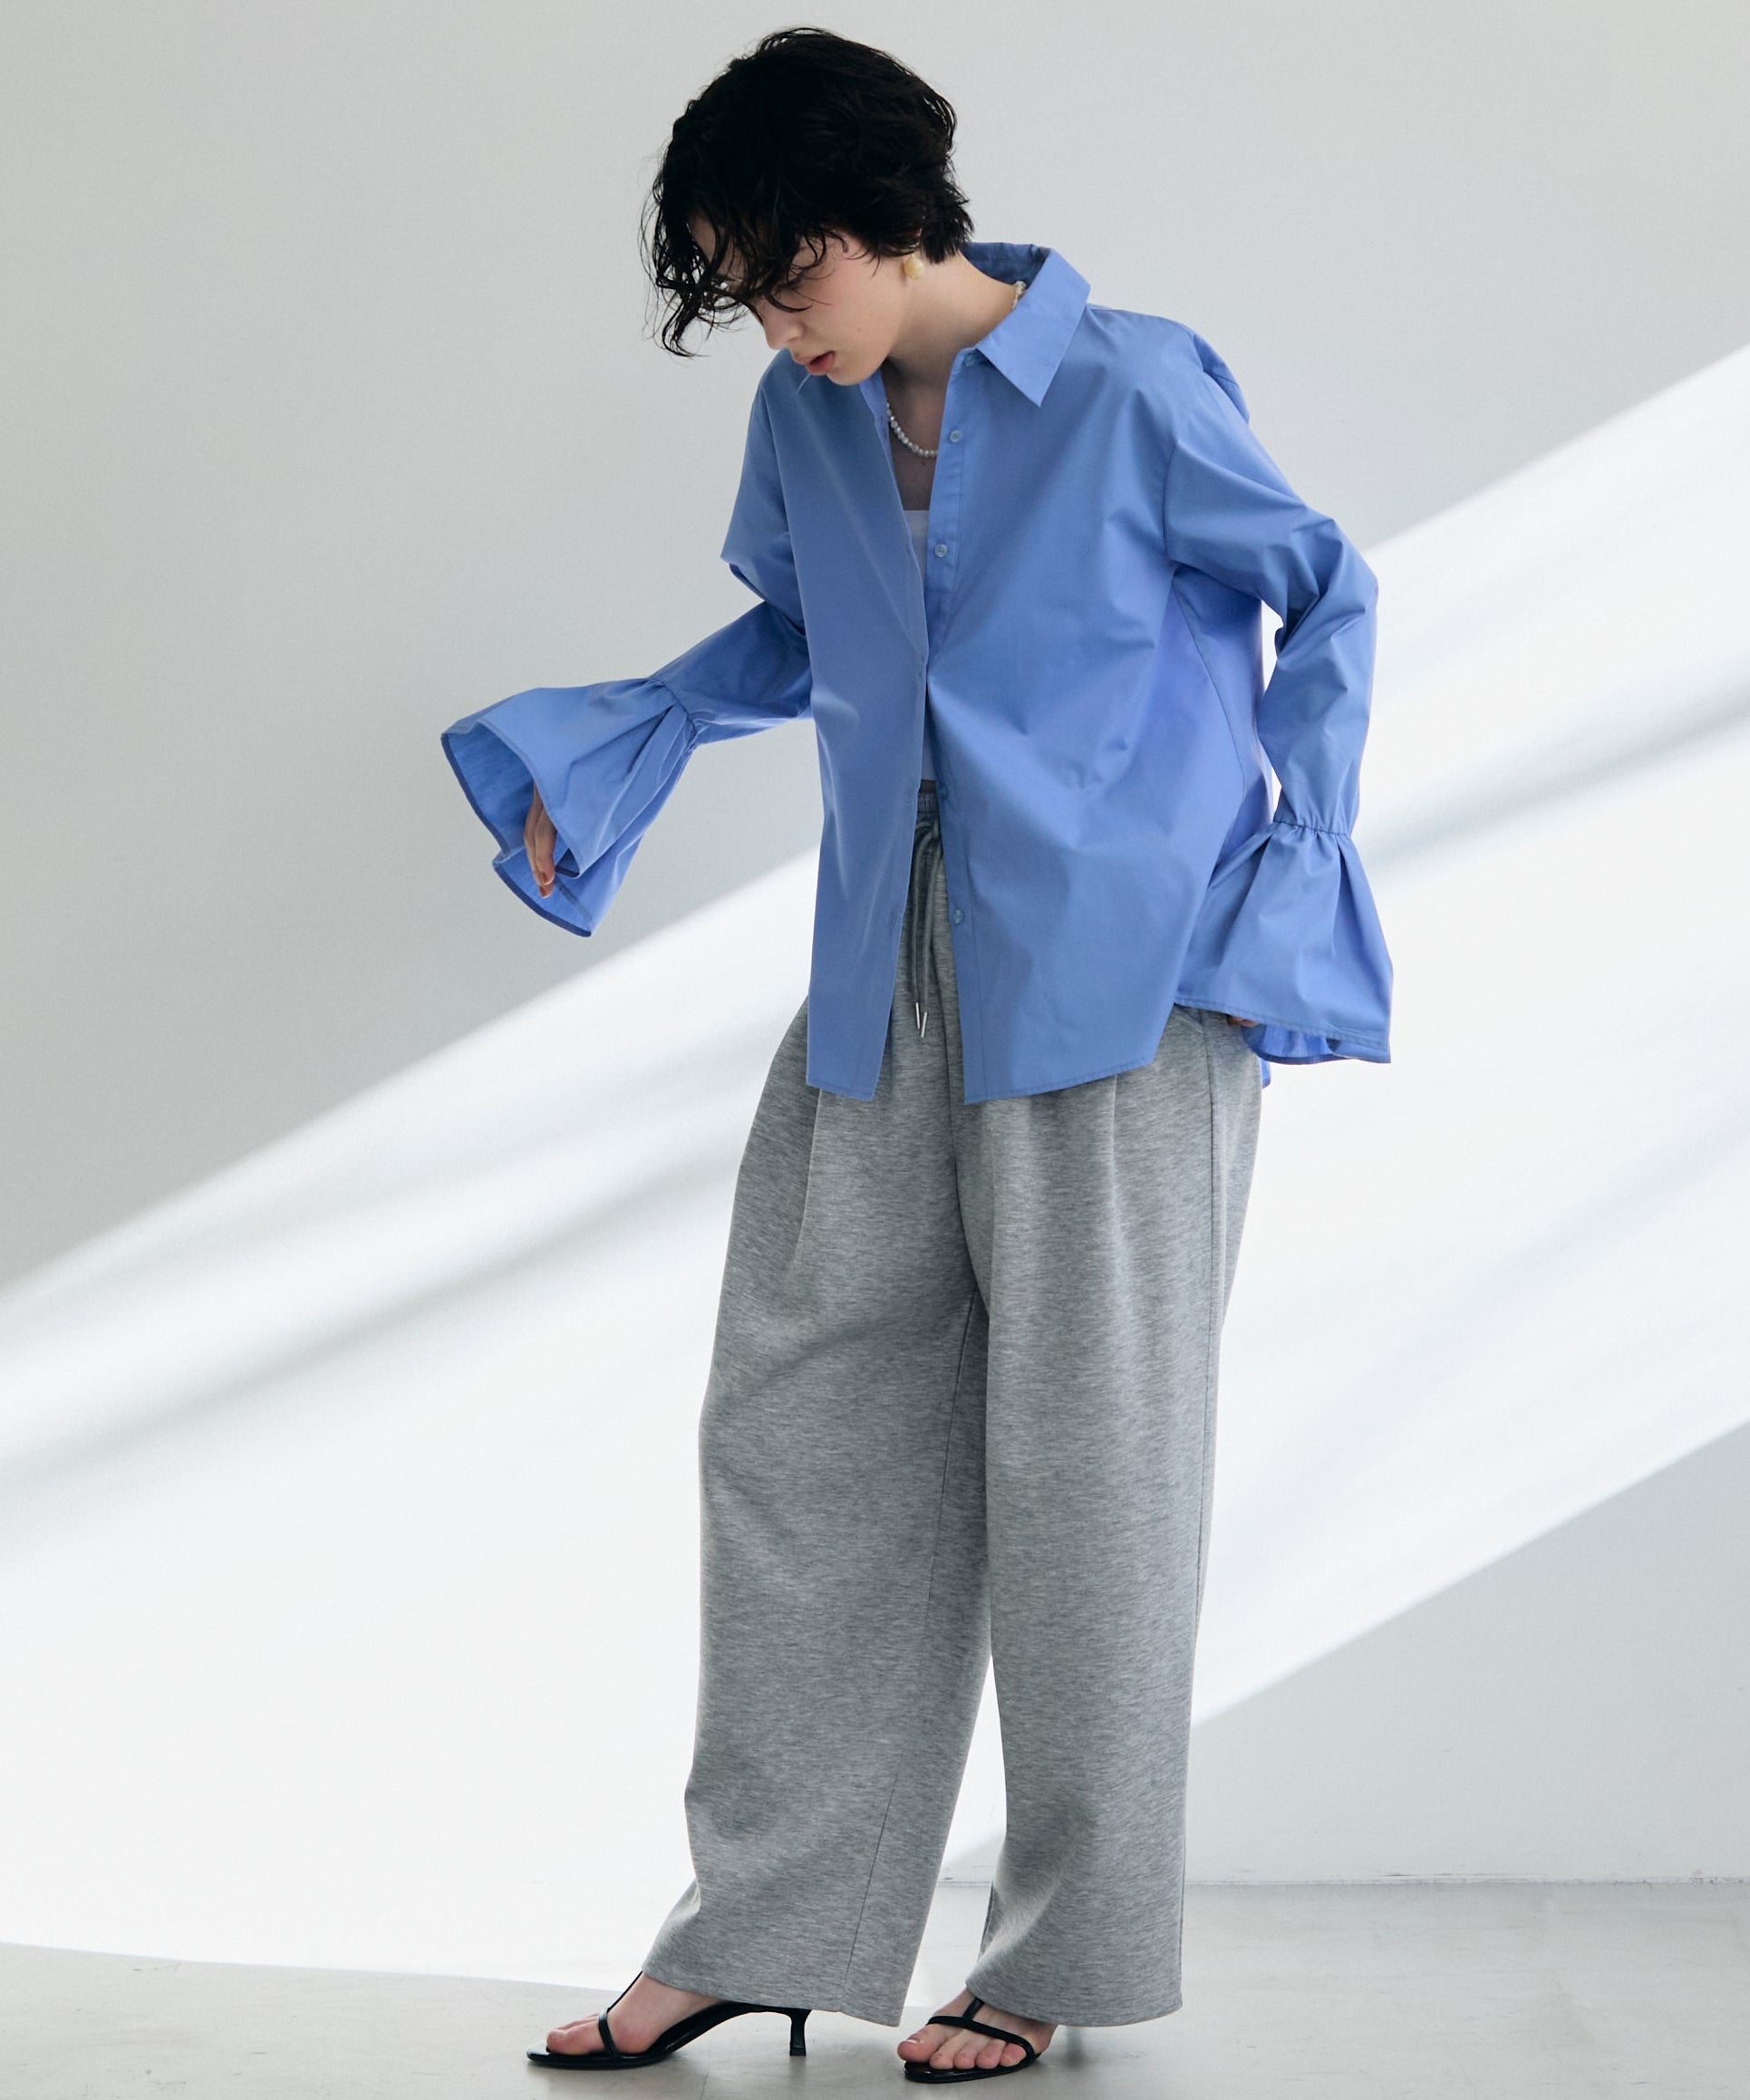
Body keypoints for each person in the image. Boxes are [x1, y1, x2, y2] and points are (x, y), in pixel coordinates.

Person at [441, 25, 1392, 2085]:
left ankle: (1054, 1953)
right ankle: (759, 1924)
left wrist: (1286, 868)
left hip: (1125, 983)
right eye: (740, 291)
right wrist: (619, 744)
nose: (776, 323)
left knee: (1092, 1468)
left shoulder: (1132, 383)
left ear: (888, 218)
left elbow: (1325, 591)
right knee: (797, 1433)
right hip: (885, 969)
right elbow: (805, 636)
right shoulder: (806, 417)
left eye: (789, 273)